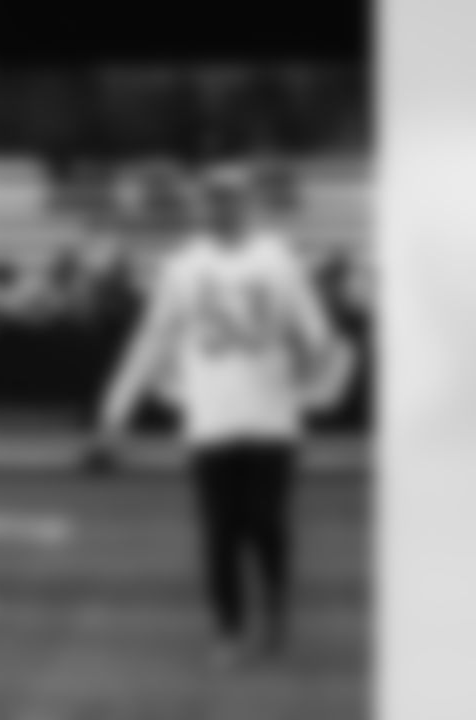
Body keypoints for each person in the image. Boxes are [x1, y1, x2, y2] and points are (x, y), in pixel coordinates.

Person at [94, 165, 355, 667]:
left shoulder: (279, 261)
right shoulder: (182, 267)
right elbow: (149, 342)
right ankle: (229, 626)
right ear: (201, 207)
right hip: (210, 418)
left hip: (272, 417)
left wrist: (316, 376)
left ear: (248, 204)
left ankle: (275, 608)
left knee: (267, 523)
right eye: (213, 200)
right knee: (220, 529)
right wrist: (114, 413)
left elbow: (318, 334)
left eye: (231, 199)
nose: (221, 208)